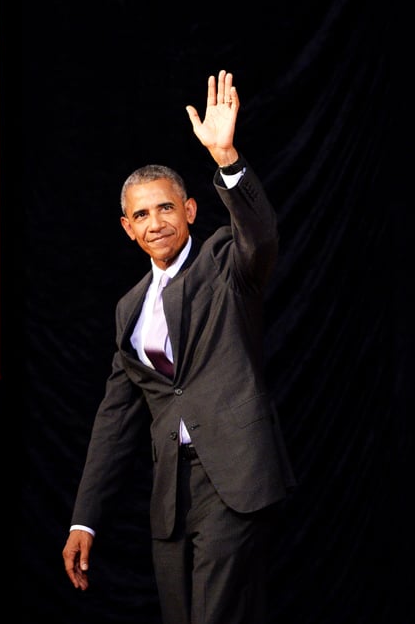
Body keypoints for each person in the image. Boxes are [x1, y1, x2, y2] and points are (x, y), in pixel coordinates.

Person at [62, 70, 296, 624]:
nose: (156, 222)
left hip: (234, 479)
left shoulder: (222, 262)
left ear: (190, 210)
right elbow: (114, 420)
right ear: (127, 228)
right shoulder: (129, 308)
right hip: (172, 495)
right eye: (141, 214)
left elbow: (259, 239)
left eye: (166, 208)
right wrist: (83, 520)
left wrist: (228, 160)